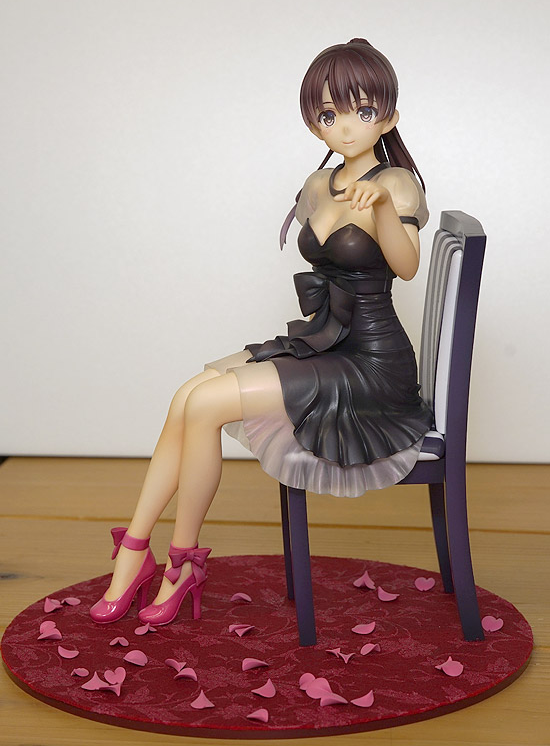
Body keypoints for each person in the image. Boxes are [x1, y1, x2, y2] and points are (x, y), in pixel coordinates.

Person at [90, 38, 433, 627]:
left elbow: (406, 267)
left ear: (389, 117)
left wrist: (380, 208)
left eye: (363, 110)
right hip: (326, 340)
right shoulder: (318, 184)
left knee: (205, 406)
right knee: (188, 394)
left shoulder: (397, 183)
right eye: (329, 114)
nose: (346, 126)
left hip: (373, 365)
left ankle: (181, 565)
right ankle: (135, 551)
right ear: (314, 122)